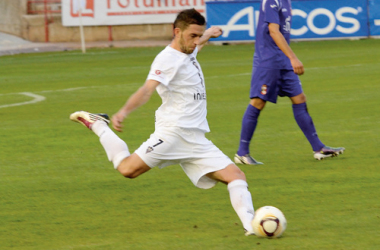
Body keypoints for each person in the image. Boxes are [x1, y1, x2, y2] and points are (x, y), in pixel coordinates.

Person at [70, 9, 256, 236]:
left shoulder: (188, 50)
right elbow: (147, 90)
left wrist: (209, 33)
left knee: (236, 176)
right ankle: (99, 125)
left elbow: (197, 46)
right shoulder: (167, 59)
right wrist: (123, 112)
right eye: (192, 36)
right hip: (172, 135)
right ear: (177, 32)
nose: (196, 41)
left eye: (198, 36)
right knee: (127, 169)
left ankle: (252, 227)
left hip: (197, 140)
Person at [234, 0, 345, 165]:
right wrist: (293, 57)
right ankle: (242, 154)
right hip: (268, 61)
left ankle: (319, 148)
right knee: (258, 102)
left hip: (283, 60)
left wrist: (288, 58)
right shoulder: (272, 1)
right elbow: (273, 31)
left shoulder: (286, 1)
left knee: (299, 99)